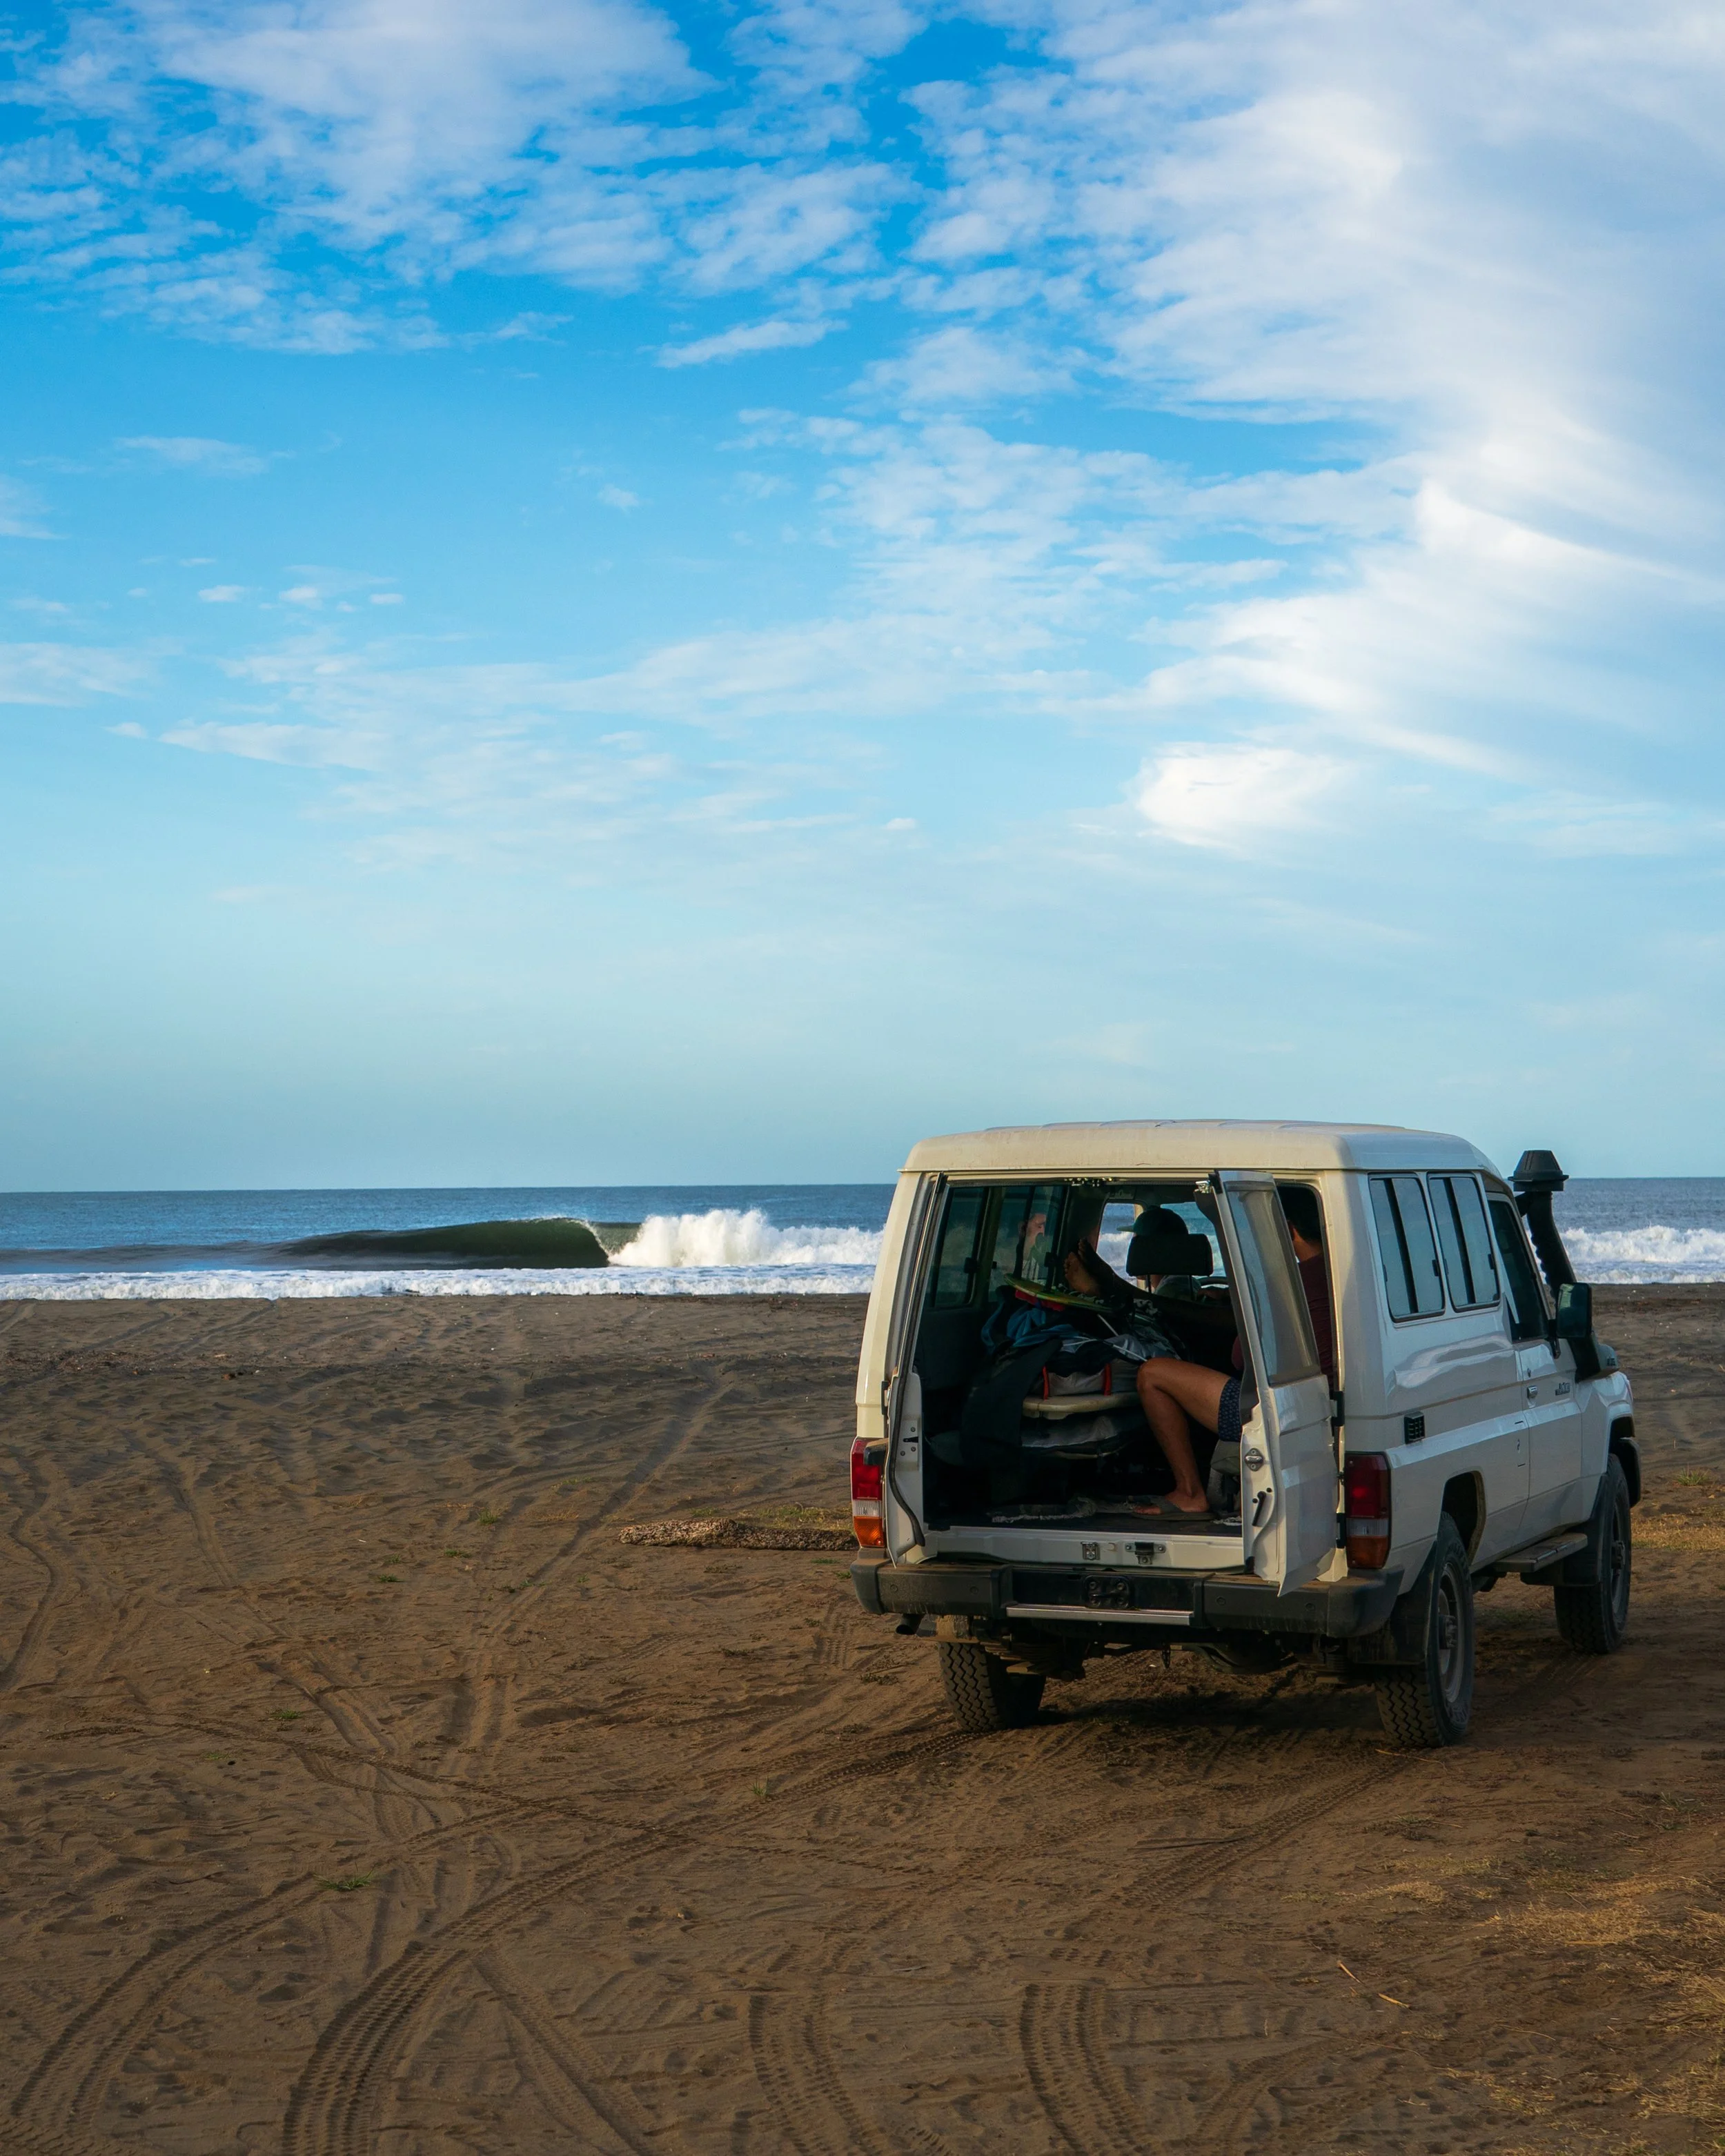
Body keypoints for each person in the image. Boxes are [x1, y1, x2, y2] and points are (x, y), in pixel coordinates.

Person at [1063, 1187, 1334, 1519]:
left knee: (1153, 1374)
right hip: (1316, 1406)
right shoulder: (1332, 1274)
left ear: (1289, 1229)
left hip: (1272, 1412)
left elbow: (1239, 1358)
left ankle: (1190, 1493)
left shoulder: (1288, 1284)